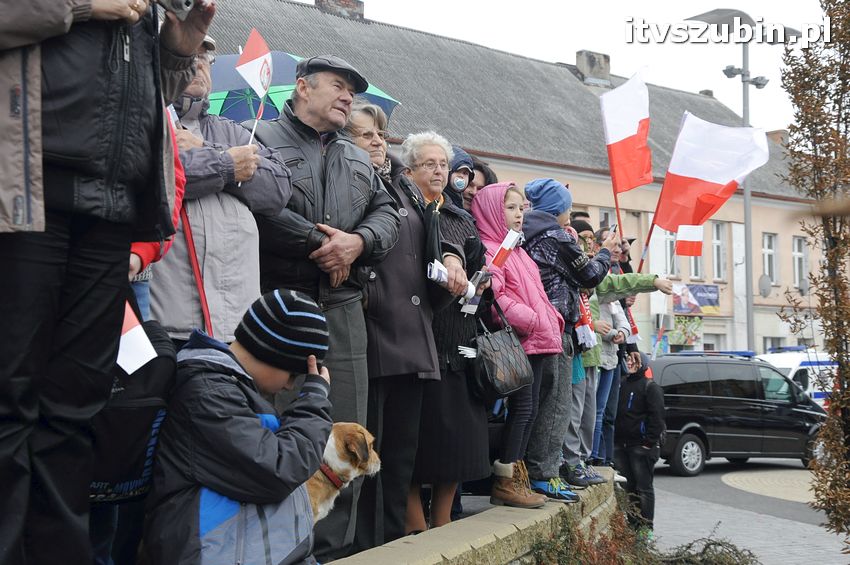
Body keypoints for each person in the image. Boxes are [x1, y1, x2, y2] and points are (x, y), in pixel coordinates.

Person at [0, 2, 213, 563]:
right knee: (10, 394)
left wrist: (174, 52)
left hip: (113, 208)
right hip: (25, 192)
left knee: (76, 405)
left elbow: (128, 98)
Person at [248, 55, 400, 560]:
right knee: (282, 425)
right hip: (281, 305)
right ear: (302, 87)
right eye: (338, 86)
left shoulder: (358, 158)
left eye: (353, 92)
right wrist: (322, 245)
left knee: (348, 428)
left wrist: (356, 243)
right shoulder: (262, 139)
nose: (348, 98)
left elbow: (388, 215)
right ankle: (280, 547)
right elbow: (258, 205)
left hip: (343, 307)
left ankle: (334, 551)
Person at [344, 107, 464, 550]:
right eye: (366, 134)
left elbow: (436, 241)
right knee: (370, 452)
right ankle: (367, 545)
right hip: (378, 330)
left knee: (399, 456)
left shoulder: (409, 195)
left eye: (381, 135)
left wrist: (452, 260)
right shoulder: (363, 187)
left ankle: (391, 541)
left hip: (413, 335)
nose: (378, 141)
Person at [144, 289, 332, 564]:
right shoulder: (209, 395)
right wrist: (314, 403)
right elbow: (278, 469)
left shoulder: (231, 390)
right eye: (293, 374)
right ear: (272, 352)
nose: (291, 385)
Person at [150, 35, 291, 346]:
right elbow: (158, 176)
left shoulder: (232, 130)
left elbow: (279, 187)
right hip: (169, 324)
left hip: (238, 329)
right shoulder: (148, 122)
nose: (200, 65)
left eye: (207, 59)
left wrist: (207, 150)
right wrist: (228, 165)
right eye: (190, 55)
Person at [404, 132, 491, 531]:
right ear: (409, 170)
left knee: (457, 442)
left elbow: (466, 251)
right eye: (429, 164)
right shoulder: (402, 208)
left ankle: (441, 519)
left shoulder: (459, 214)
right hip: (416, 336)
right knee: (416, 442)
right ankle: (415, 524)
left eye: (444, 164)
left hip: (459, 339)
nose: (439, 171)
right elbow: (442, 249)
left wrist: (479, 281)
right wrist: (453, 262)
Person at [520, 178, 614, 502]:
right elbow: (589, 275)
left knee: (543, 403)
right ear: (557, 208)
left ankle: (540, 469)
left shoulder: (528, 232)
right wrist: (605, 254)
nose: (570, 212)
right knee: (557, 404)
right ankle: (545, 474)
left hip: (537, 325)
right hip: (555, 327)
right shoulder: (555, 236)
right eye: (568, 206)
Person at [472, 182, 564, 508]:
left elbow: (537, 294)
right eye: (510, 208)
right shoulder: (493, 249)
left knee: (531, 410)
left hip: (535, 340)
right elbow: (495, 294)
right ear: (493, 211)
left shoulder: (517, 249)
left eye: (521, 207)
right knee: (522, 409)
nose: (519, 214)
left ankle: (516, 477)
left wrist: (551, 317)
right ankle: (505, 481)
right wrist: (532, 320)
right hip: (519, 341)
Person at [614, 352, 665, 542]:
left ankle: (646, 528)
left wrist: (648, 442)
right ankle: (632, 525)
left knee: (644, 488)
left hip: (641, 447)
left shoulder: (650, 387)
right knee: (629, 488)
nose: (630, 362)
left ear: (643, 364)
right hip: (621, 445)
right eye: (628, 360)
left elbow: (657, 418)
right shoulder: (621, 383)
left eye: (634, 360)